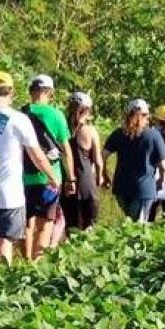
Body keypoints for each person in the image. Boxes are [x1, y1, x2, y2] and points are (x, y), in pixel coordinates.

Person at [0, 72, 57, 265]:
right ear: (11, 93)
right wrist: (52, 176)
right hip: (9, 193)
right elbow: (37, 155)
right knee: (4, 239)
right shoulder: (18, 119)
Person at [22, 76, 74, 259]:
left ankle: (26, 261)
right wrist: (71, 178)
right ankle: (36, 265)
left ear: (31, 91)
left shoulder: (20, 114)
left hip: (24, 177)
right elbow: (66, 150)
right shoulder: (57, 115)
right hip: (50, 178)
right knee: (45, 225)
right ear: (50, 93)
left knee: (27, 224)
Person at [104, 99, 165, 222]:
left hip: (121, 188)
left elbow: (103, 155)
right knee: (138, 227)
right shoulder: (153, 136)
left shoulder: (118, 134)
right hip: (144, 189)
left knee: (131, 222)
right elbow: (163, 166)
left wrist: (104, 175)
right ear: (147, 116)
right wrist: (161, 181)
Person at [62, 92, 103, 233]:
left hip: (68, 183)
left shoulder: (63, 130)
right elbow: (98, 160)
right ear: (88, 110)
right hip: (87, 183)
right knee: (89, 226)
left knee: (72, 227)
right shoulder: (90, 131)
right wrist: (99, 177)